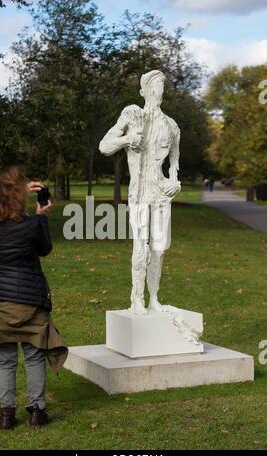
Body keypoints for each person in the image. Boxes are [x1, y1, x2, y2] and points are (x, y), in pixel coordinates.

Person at [0, 166, 68, 430]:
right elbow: (45, 249)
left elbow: (2, 212)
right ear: (17, 194)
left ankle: (6, 415)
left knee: (5, 360)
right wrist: (41, 215)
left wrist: (14, 192)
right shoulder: (33, 225)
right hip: (28, 301)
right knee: (34, 357)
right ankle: (37, 412)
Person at [99, 70, 181, 315]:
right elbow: (104, 147)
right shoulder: (132, 115)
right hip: (139, 191)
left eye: (161, 86)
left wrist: (175, 182)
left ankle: (154, 298)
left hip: (160, 192)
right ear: (143, 91)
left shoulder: (171, 125)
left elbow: (174, 163)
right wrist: (126, 139)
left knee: (159, 248)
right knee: (140, 246)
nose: (159, 91)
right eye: (154, 86)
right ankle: (136, 298)